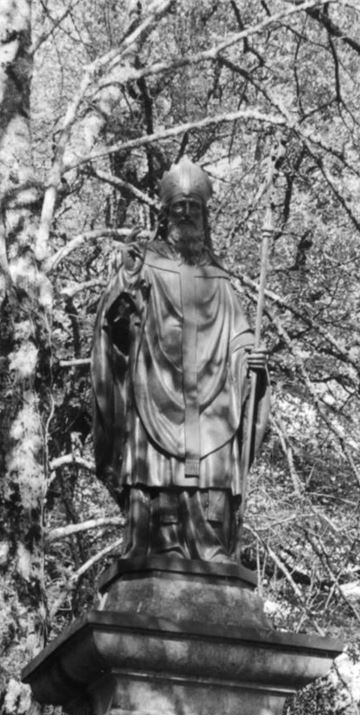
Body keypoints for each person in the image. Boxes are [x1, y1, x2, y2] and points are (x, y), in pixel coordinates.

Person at [91, 156, 270, 562]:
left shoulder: (218, 276)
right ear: (165, 213)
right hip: (155, 390)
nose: (187, 214)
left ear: (205, 216)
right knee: (157, 469)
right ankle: (160, 543)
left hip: (211, 401)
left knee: (212, 465)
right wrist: (126, 284)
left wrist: (250, 358)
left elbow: (238, 333)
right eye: (179, 207)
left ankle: (210, 547)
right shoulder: (144, 263)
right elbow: (114, 328)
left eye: (195, 207)